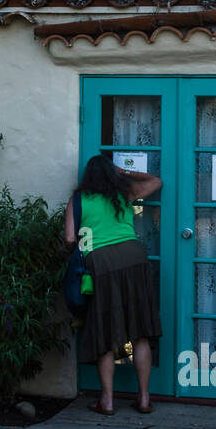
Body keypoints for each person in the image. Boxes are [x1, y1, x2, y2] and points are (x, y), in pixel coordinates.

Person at [63, 155, 162, 414]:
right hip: (134, 257)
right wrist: (123, 171)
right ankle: (143, 398)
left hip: (101, 263)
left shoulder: (78, 200)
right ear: (112, 174)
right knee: (140, 331)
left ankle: (106, 400)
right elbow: (155, 181)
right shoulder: (123, 193)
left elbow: (70, 238)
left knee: (104, 332)